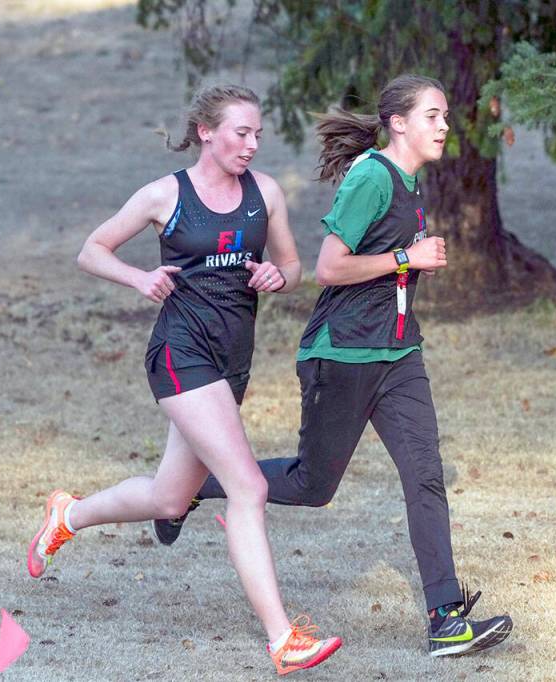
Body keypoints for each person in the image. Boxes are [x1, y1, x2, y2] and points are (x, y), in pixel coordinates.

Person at [154, 74, 512, 657]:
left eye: (445, 116)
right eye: (432, 116)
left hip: (399, 353)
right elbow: (328, 268)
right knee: (312, 486)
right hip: (341, 354)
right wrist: (407, 257)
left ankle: (445, 618)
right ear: (399, 123)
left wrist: (406, 263)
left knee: (425, 475)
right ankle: (200, 488)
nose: (444, 126)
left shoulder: (408, 181)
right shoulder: (372, 177)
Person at [26, 84, 342, 676]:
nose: (251, 144)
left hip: (232, 362)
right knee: (248, 487)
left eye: (257, 135)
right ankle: (283, 639)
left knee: (171, 498)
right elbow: (91, 250)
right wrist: (139, 278)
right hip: (181, 354)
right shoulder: (165, 194)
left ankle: (68, 514)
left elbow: (294, 267)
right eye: (241, 133)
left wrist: (278, 277)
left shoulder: (265, 193)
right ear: (206, 132)